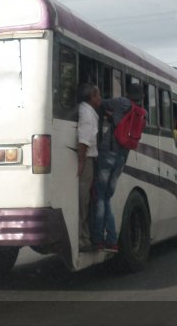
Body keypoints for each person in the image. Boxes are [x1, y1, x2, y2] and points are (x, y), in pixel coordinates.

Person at [91, 83, 144, 252]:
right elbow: (121, 124)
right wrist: (112, 117)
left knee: (100, 197)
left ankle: (99, 238)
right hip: (122, 158)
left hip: (108, 153)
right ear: (141, 97)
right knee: (106, 198)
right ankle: (112, 240)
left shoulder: (122, 102)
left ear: (128, 93)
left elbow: (100, 103)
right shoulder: (143, 114)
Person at [76, 83, 101, 252]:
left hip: (87, 159)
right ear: (92, 97)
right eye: (98, 95)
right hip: (87, 160)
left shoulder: (87, 111)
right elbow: (84, 141)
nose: (100, 99)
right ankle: (82, 238)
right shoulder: (87, 114)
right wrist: (82, 161)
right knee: (83, 200)